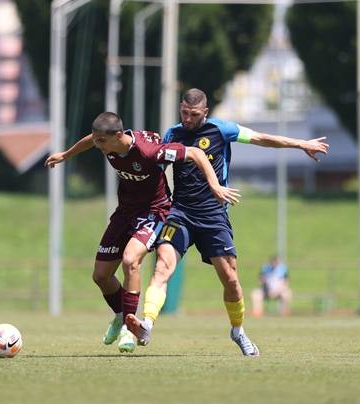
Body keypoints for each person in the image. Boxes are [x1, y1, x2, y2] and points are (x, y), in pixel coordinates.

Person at [125, 88, 329, 356]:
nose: (187, 118)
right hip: (181, 213)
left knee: (231, 280)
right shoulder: (172, 134)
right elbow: (156, 171)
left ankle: (238, 331)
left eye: (194, 114)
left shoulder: (221, 129)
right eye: (184, 112)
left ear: (205, 113)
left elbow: (260, 138)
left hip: (213, 215)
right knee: (163, 267)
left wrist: (301, 144)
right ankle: (147, 324)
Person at [45, 111, 239, 353]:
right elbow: (90, 139)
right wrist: (65, 155)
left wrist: (214, 185)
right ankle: (120, 315)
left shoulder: (149, 151)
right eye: (96, 140)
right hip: (124, 212)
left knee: (130, 260)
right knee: (101, 276)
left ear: (118, 135)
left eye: (101, 141)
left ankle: (129, 327)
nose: (97, 145)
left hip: (153, 211)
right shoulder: (107, 142)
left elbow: (196, 153)